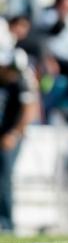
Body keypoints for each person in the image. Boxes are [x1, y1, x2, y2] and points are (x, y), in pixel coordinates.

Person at [0, 47, 39, 232]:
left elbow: (29, 110)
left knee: (4, 178)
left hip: (10, 135)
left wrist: (13, 134)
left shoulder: (22, 80)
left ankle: (7, 224)